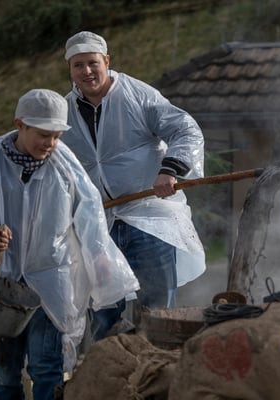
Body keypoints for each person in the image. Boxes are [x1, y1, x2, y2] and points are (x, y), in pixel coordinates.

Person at [0, 88, 139, 400]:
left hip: (51, 281)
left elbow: (90, 213)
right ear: (20, 124)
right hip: (5, 287)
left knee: (47, 368)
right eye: (43, 134)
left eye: (56, 136)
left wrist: (99, 256)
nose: (49, 143)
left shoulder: (65, 165)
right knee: (5, 373)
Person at [60, 31, 206, 338]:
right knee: (103, 313)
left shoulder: (138, 95)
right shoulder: (64, 111)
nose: (87, 71)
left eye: (92, 62)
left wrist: (170, 170)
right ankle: (112, 365)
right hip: (98, 224)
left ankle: (159, 365)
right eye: (78, 65)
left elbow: (185, 129)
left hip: (148, 218)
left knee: (158, 313)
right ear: (70, 69)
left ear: (107, 61)